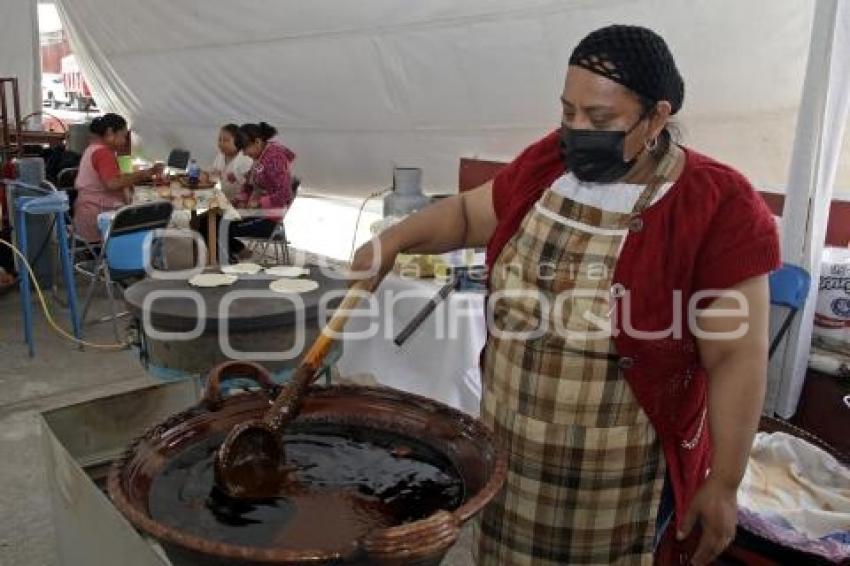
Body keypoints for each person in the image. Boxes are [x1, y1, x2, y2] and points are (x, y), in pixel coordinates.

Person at [352, 25, 780, 565]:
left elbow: (735, 357)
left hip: (618, 481)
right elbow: (465, 215)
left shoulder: (718, 203)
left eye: (599, 120)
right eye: (567, 113)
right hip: (511, 452)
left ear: (657, 116)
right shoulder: (547, 165)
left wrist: (725, 481)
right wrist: (391, 240)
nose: (576, 131)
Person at [200, 121, 296, 260]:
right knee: (206, 221)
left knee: (219, 226)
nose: (244, 153)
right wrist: (240, 199)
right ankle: (233, 255)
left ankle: (227, 263)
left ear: (257, 142)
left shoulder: (275, 158)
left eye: (245, 149)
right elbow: (249, 186)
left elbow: (284, 193)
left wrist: (258, 203)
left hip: (268, 218)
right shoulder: (260, 157)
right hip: (254, 212)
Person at [73, 113, 162, 242]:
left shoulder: (93, 149)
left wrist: (135, 176)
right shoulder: (102, 153)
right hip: (98, 216)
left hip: (88, 212)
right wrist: (144, 174)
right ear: (110, 133)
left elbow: (110, 177)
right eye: (124, 136)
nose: (125, 141)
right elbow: (112, 183)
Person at [206, 123, 253, 201]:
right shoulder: (220, 155)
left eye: (226, 140)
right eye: (219, 139)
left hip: (236, 203)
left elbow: (247, 186)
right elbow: (213, 173)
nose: (221, 143)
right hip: (217, 197)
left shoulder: (246, 159)